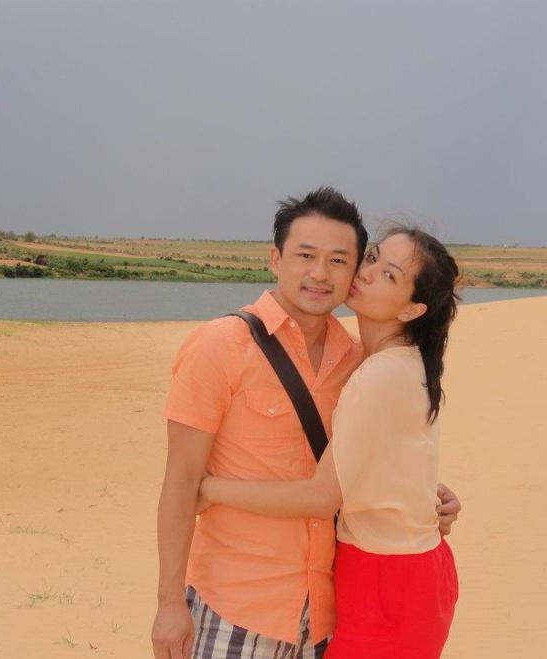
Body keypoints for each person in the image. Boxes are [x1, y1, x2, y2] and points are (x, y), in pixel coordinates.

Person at [151, 188, 461, 659]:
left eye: (339, 260)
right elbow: (180, 482)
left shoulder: (357, 360)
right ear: (275, 259)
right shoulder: (219, 346)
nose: (320, 273)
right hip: (239, 605)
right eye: (305, 256)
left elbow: (362, 464)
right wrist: (169, 604)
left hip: (328, 612)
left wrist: (425, 497)